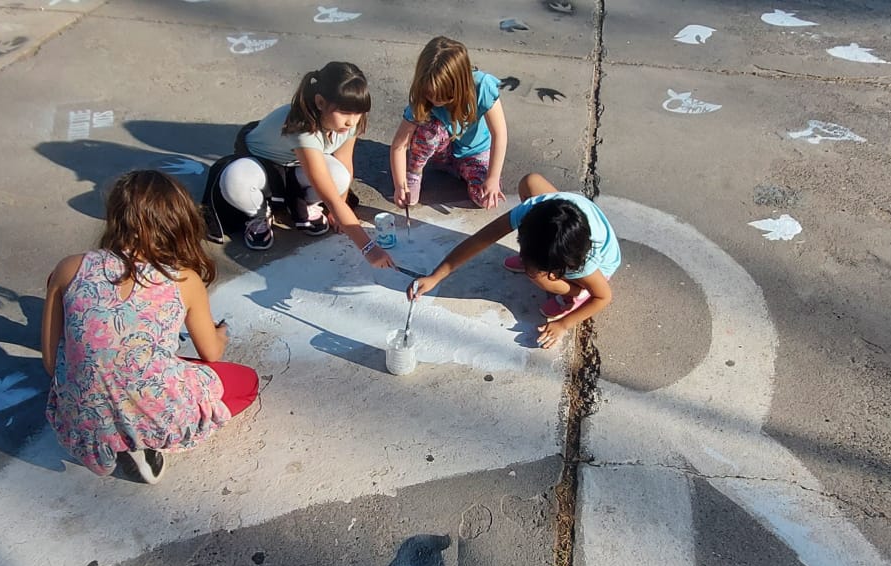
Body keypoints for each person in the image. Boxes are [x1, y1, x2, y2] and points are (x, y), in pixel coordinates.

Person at [42, 170, 259, 484]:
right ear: (178, 223)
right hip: (159, 415)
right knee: (245, 382)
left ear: (114, 217)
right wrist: (219, 333)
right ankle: (146, 443)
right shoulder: (184, 279)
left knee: (101, 365)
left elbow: (51, 364)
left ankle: (116, 438)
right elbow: (211, 353)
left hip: (83, 421)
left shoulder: (69, 267)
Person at [200, 61, 395, 268]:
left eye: (358, 113)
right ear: (320, 103)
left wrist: (340, 208)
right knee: (235, 180)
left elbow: (344, 162)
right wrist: (368, 248)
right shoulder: (302, 126)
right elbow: (329, 197)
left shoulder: (351, 124)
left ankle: (305, 207)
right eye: (345, 113)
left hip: (296, 167)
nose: (352, 122)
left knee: (340, 176)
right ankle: (257, 214)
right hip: (260, 166)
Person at [407, 173, 619, 349]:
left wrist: (564, 325)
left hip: (598, 264)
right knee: (530, 181)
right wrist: (436, 275)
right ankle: (542, 264)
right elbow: (480, 240)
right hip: (567, 236)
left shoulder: (583, 258)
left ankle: (575, 293)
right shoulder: (528, 211)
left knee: (540, 278)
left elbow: (603, 297)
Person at [389, 36, 508, 210]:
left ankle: (463, 170)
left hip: (474, 152)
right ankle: (415, 173)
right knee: (430, 129)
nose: (436, 101)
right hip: (441, 152)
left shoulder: (482, 86)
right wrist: (400, 185)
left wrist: (493, 178)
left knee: (483, 198)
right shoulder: (422, 98)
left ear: (461, 84)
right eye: (430, 95)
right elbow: (398, 146)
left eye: (444, 96)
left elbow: (500, 134)